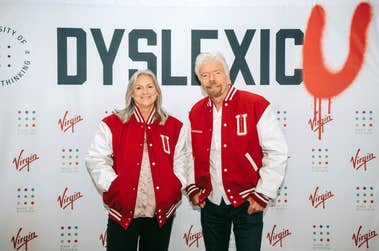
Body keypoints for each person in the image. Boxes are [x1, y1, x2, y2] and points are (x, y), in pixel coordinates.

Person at [185, 52, 288, 251]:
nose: (211, 79)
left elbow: (277, 152)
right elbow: (189, 154)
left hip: (247, 202)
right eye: (205, 75)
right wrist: (192, 187)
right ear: (200, 81)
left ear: (227, 75)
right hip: (211, 204)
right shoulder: (196, 112)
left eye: (216, 72)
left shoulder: (255, 104)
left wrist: (263, 194)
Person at [85, 69, 188, 251]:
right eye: (139, 88)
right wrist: (114, 186)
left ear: (157, 91)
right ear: (131, 93)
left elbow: (182, 161)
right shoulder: (112, 123)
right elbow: (96, 159)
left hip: (160, 213)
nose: (145, 92)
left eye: (150, 87)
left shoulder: (174, 126)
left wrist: (174, 186)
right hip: (123, 212)